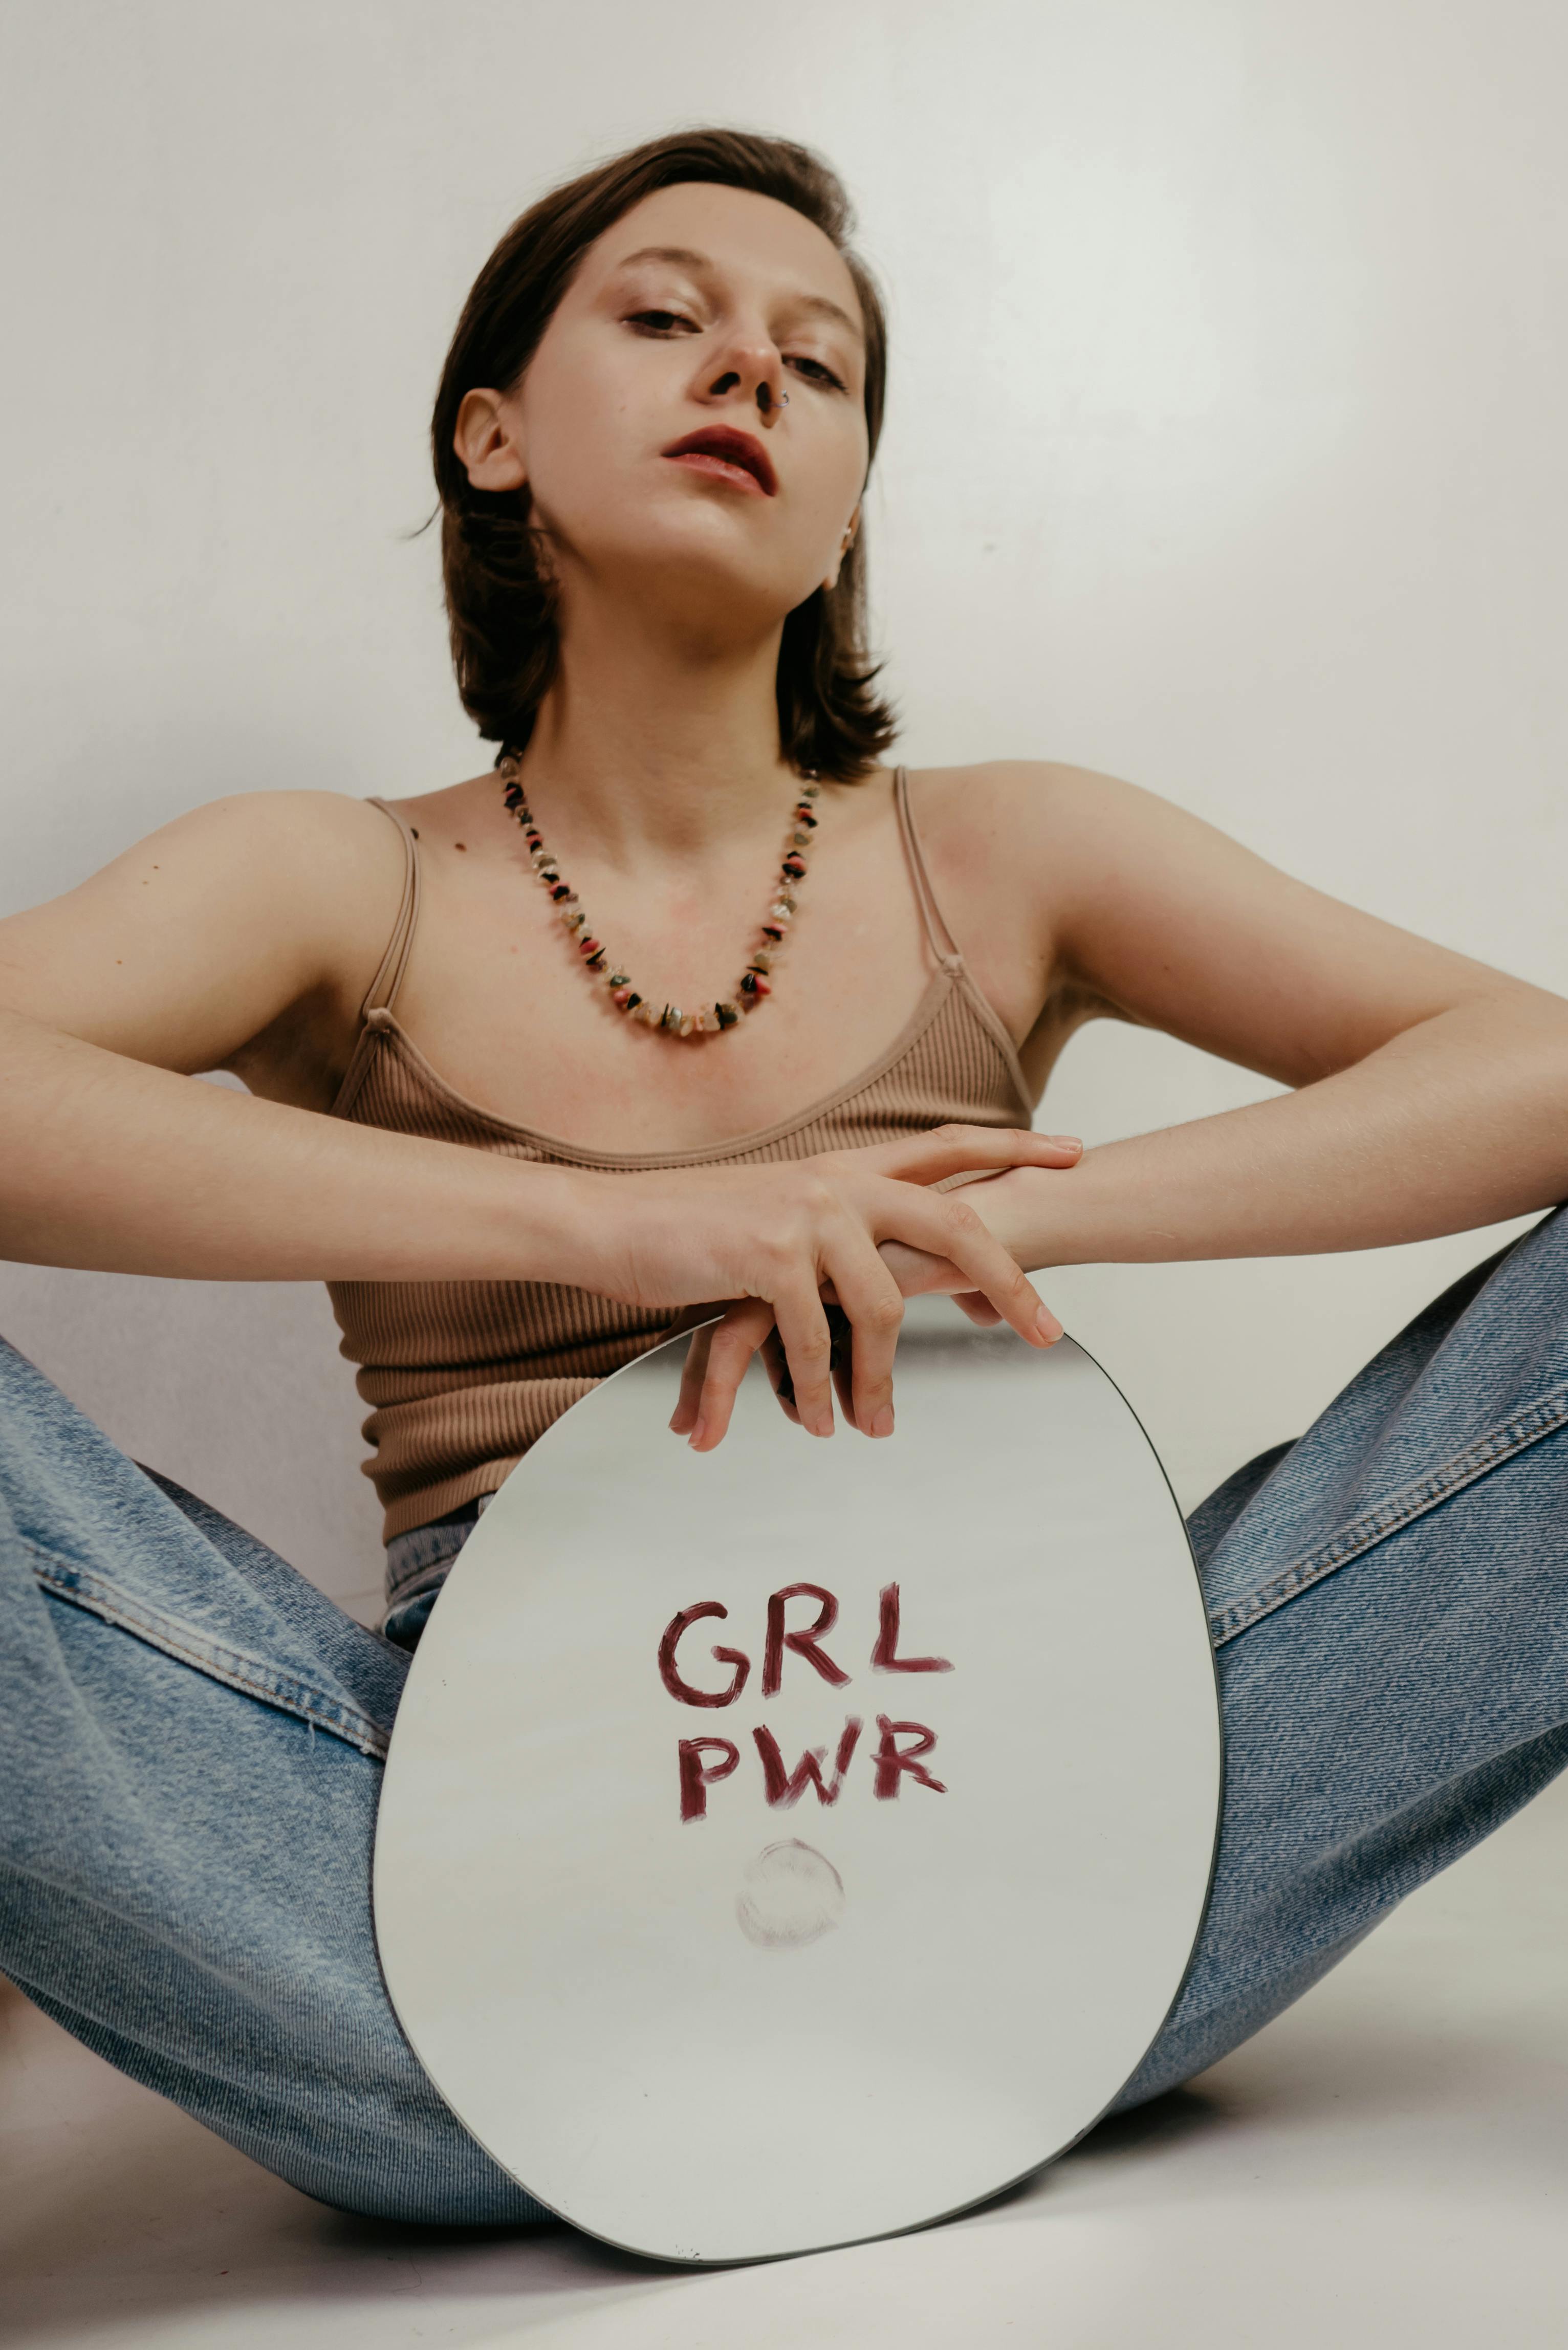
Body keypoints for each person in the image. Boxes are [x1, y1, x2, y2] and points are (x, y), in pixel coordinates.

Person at [2, 126, 1565, 2231]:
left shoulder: (1008, 851)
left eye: (816, 365)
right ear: (492, 434)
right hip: (445, 1927)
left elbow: (1538, 1062)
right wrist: (620, 1224)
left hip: (1077, 1833)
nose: (745, 369)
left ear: (847, 511)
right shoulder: (331, 876)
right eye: (663, 318)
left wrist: (1016, 1213)